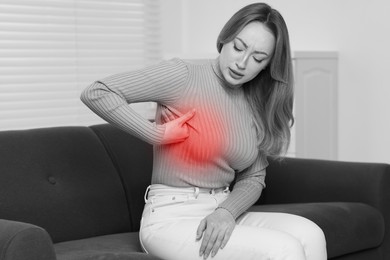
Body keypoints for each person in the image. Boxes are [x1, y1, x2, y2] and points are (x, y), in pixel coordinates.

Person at [81, 2, 327, 260]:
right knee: (283, 249)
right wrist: (157, 134)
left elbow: (253, 177)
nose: (242, 63)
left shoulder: (254, 102)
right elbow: (97, 92)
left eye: (257, 58)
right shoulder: (183, 75)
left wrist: (226, 212)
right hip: (171, 217)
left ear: (267, 66)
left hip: (222, 210)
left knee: (310, 233)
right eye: (238, 47)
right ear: (225, 39)